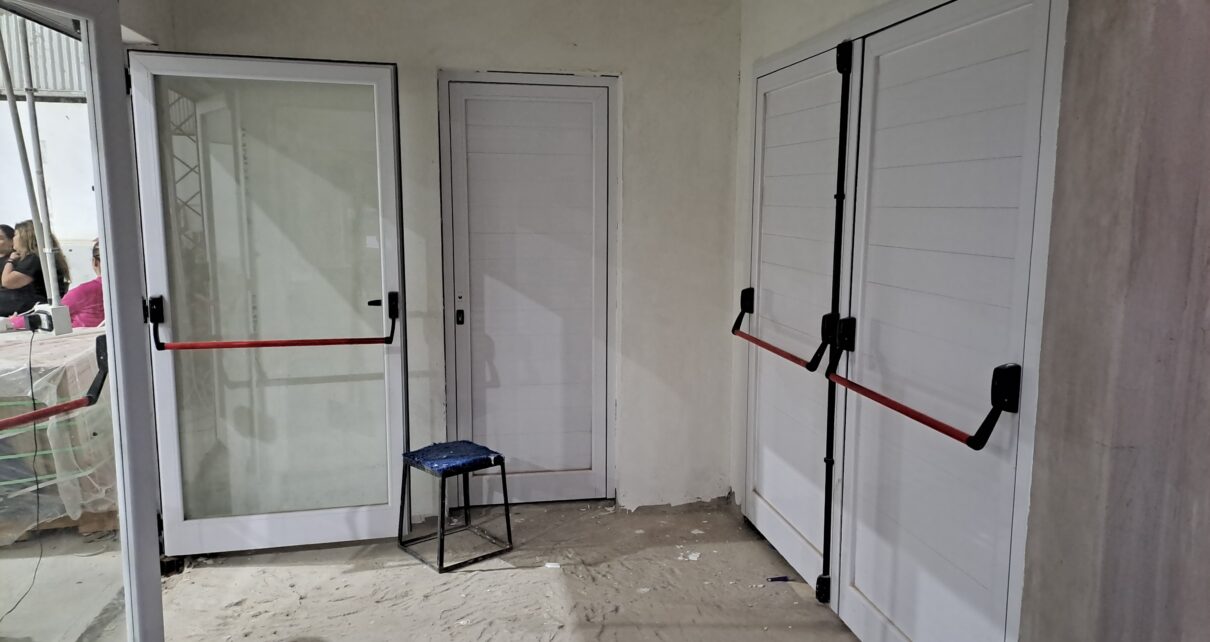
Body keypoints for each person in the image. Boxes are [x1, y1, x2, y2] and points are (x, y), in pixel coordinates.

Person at [10, 239, 103, 329]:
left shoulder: (85, 292)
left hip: (81, 338)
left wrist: (13, 321)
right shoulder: (103, 291)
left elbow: (50, 315)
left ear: (95, 262)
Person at [0, 220, 70, 317]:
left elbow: (7, 282)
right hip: (34, 300)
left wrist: (10, 261)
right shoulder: (39, 256)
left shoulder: (34, 258)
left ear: (25, 237)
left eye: (15, 235)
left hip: (37, 303)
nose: (13, 239)